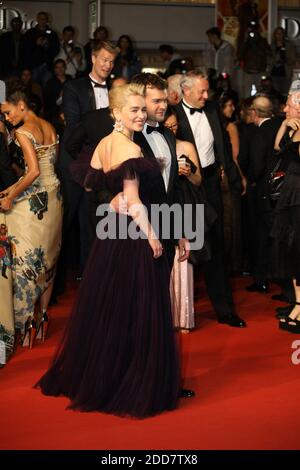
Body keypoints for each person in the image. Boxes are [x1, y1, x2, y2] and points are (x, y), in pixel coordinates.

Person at [35, 84, 181, 418]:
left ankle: (105, 377)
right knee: (135, 309)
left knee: (111, 308)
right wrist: (153, 238)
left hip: (110, 238)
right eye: (134, 110)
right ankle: (130, 383)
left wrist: (112, 197)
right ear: (115, 113)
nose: (141, 115)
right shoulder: (129, 150)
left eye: (143, 109)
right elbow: (134, 202)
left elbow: (88, 181)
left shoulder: (104, 143)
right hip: (132, 238)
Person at [174, 71, 246, 328]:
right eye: (202, 91)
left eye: (207, 91)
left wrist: (226, 169)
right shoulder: (174, 115)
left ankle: (225, 310)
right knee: (187, 248)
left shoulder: (213, 109)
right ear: (186, 91)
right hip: (185, 186)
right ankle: (180, 313)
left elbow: (223, 144)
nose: (207, 96)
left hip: (212, 182)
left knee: (216, 246)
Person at [0, 80, 62, 363]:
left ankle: (22, 323)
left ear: (21, 105)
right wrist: (11, 190)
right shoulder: (50, 127)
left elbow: (33, 172)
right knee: (48, 258)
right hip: (56, 195)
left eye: (8, 112)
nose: (7, 117)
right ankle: (42, 319)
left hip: (37, 198)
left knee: (25, 258)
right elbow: (50, 168)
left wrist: (12, 196)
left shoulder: (23, 131)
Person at [163, 106, 202, 332]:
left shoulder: (185, 146)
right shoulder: (155, 145)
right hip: (163, 206)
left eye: (174, 125)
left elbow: (198, 180)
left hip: (185, 204)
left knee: (183, 258)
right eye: (168, 126)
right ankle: (164, 315)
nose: (172, 129)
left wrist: (189, 173)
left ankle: (183, 317)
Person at [270, 85, 300, 331]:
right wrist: (283, 126)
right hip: (291, 195)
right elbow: (277, 149)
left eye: (289, 105)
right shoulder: (294, 129)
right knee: (293, 252)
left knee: (298, 251)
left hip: (298, 196)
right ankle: (298, 303)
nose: (285, 108)